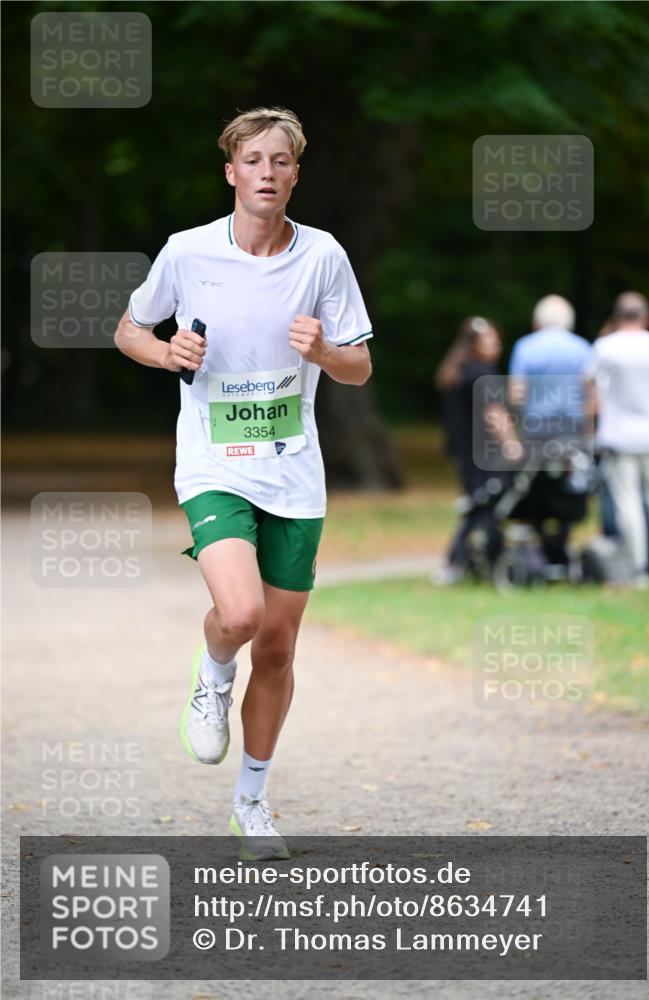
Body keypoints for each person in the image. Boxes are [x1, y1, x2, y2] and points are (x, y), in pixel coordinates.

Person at [113, 107, 372, 858]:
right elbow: (130, 330)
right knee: (241, 614)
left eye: (280, 160)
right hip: (213, 464)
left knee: (280, 650)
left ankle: (251, 801)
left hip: (293, 473)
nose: (267, 172)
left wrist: (323, 351)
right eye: (253, 160)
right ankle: (213, 674)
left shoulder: (322, 256)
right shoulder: (187, 251)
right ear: (231, 172)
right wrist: (167, 354)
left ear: (295, 174)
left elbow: (359, 367)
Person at [586, 292, 649, 588]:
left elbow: (591, 390)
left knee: (627, 503)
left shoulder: (606, 347)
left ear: (617, 317)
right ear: (646, 317)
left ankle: (637, 569)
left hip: (618, 436)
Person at [507, 294, 593, 566]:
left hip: (537, 430)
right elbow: (590, 394)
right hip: (572, 430)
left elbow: (517, 392)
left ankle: (537, 543)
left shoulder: (526, 347)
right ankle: (562, 540)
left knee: (535, 486)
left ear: (538, 321)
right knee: (568, 488)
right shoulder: (582, 348)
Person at [433, 316, 518, 583]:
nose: (497, 345)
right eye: (491, 340)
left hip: (464, 453)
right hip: (484, 455)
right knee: (485, 504)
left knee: (478, 503)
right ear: (475, 344)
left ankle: (475, 558)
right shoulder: (483, 373)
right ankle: (457, 559)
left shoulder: (458, 372)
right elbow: (494, 413)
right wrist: (513, 446)